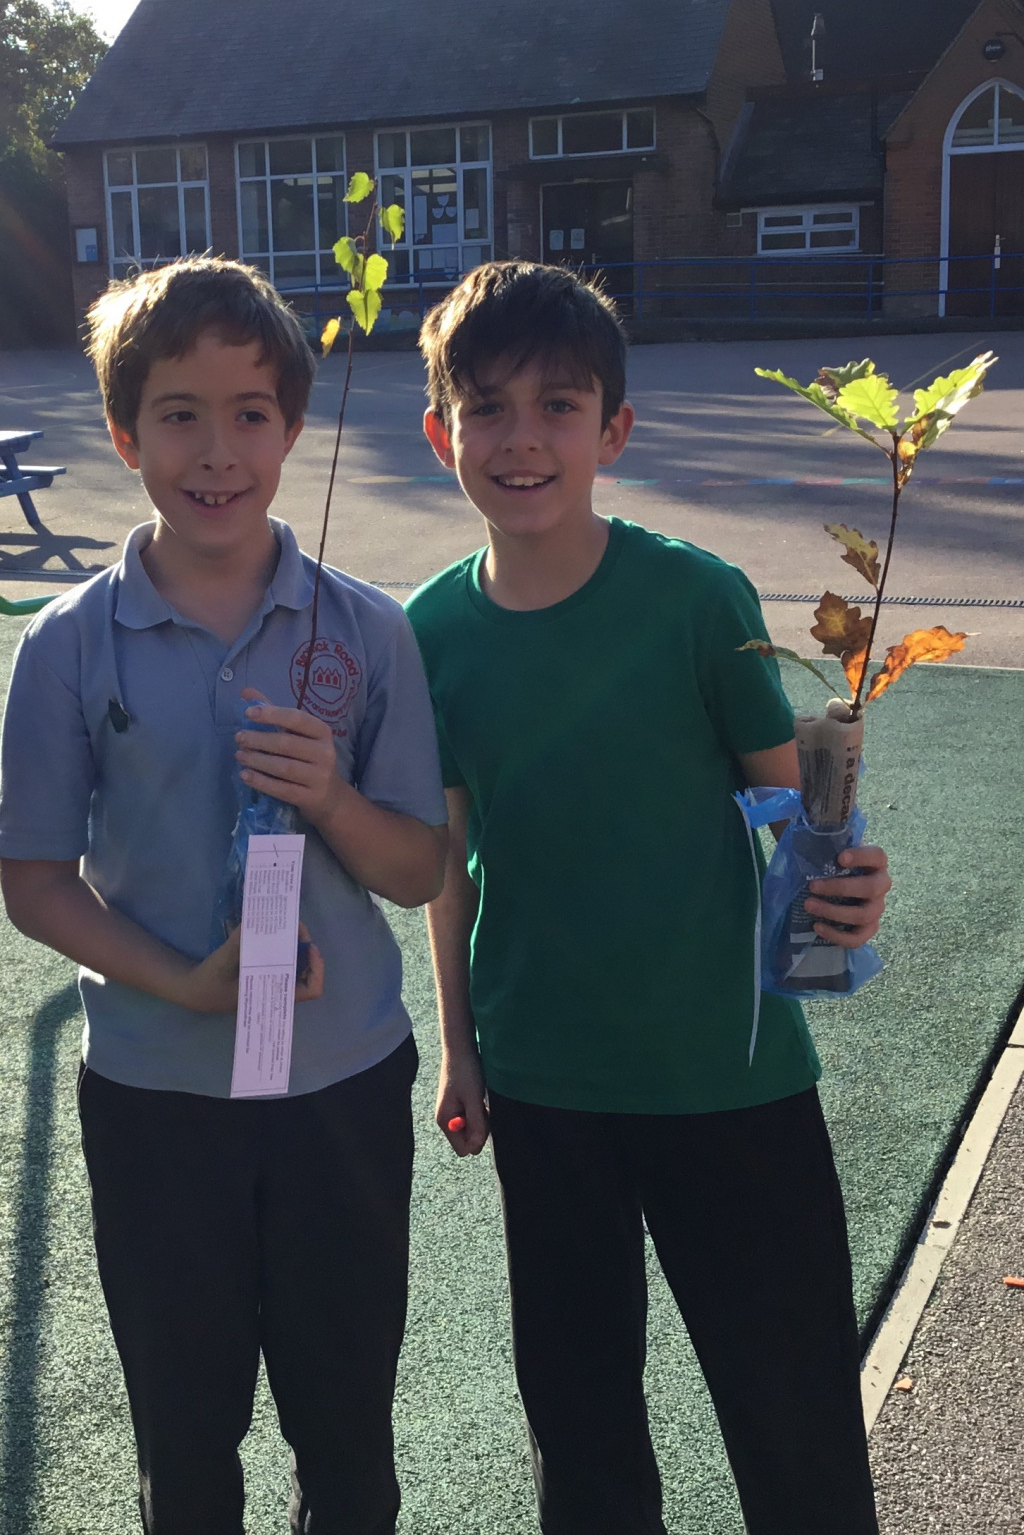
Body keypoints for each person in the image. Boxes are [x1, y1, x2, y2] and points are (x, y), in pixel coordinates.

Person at [406, 261, 892, 1535]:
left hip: (729, 1076)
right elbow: (448, 863)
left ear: (611, 430)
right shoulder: (426, 633)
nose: (522, 439)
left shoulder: (693, 596)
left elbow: (793, 809)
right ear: (440, 435)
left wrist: (853, 881)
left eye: (558, 406)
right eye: (487, 408)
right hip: (545, 1085)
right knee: (582, 1434)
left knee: (792, 1417)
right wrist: (459, 1045)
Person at [0, 259, 448, 1535]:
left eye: (251, 413)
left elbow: (418, 869)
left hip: (339, 1084)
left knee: (346, 1428)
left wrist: (333, 798)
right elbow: (33, 882)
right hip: (158, 1093)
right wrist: (185, 983)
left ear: (292, 428)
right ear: (124, 432)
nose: (216, 451)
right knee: (185, 1435)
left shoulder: (366, 629)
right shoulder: (68, 642)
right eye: (179, 414)